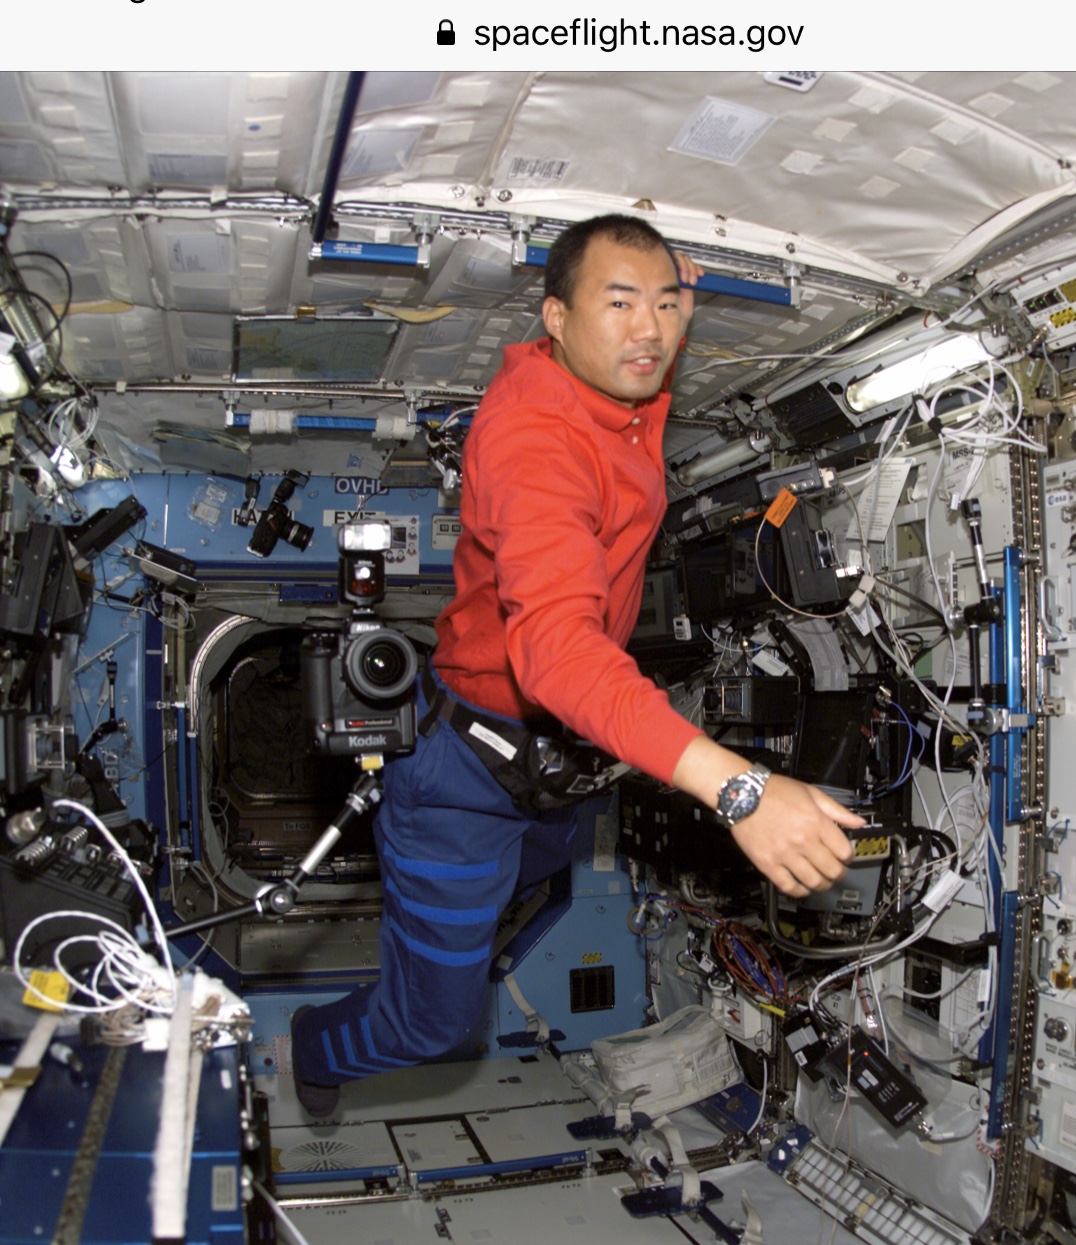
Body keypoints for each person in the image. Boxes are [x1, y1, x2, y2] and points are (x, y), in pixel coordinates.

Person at [289, 214, 863, 1116]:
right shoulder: (533, 441)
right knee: (436, 1023)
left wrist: (666, 288)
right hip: (464, 776)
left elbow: (649, 318)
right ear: (554, 319)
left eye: (667, 306)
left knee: (535, 878)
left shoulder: (625, 384)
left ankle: (457, 927)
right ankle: (315, 1049)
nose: (651, 332)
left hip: (558, 766)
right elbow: (556, 650)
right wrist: (741, 790)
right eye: (620, 304)